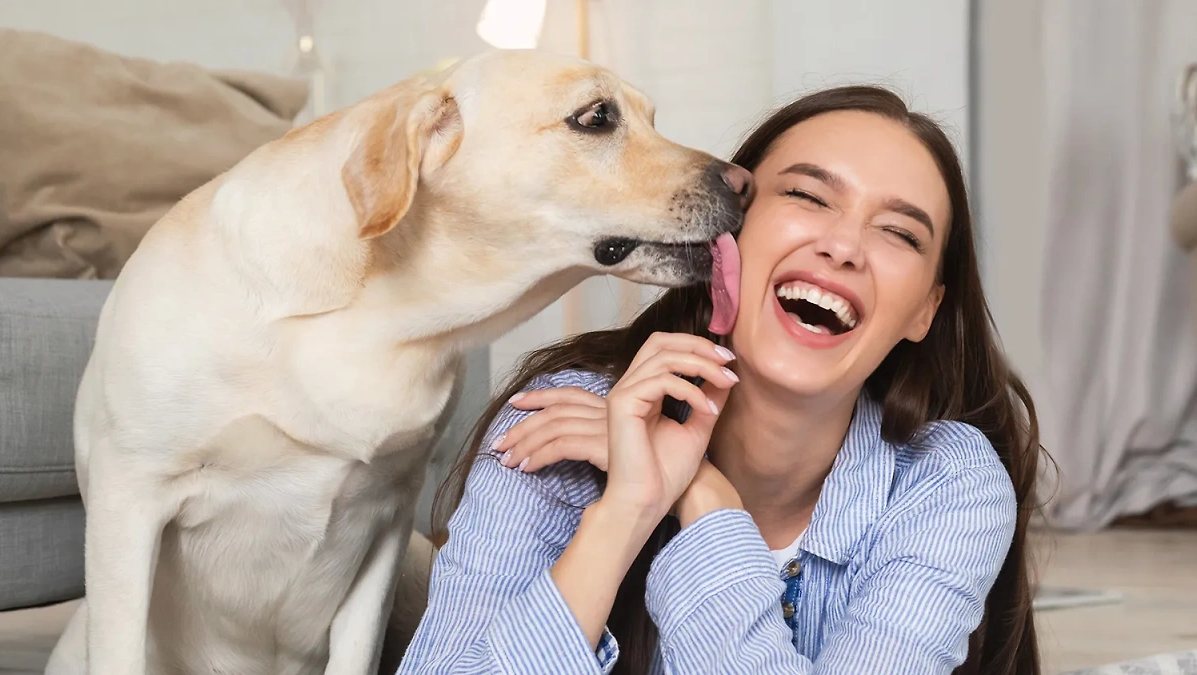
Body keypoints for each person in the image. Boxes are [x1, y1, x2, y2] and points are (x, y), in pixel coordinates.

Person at [397, 85, 1044, 674]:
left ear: (924, 311)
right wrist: (626, 508)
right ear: (724, 235)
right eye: (808, 196)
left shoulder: (946, 482)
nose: (844, 246)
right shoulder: (562, 423)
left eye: (899, 233)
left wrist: (704, 499)